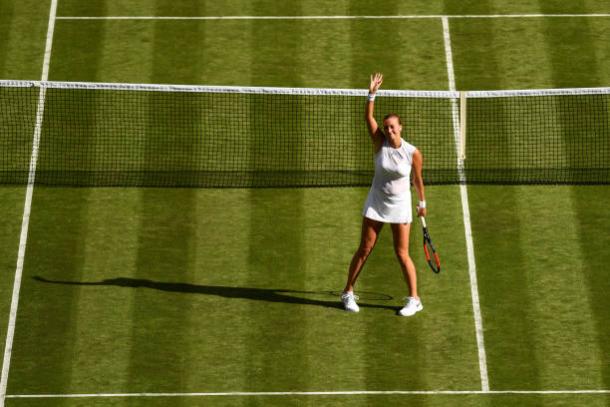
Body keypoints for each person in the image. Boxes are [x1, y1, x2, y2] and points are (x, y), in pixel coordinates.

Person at [341, 73, 427, 317]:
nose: (389, 130)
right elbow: (368, 117)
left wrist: (422, 203)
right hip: (377, 203)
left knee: (402, 254)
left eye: (392, 127)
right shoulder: (379, 142)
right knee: (365, 249)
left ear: (400, 128)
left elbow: (417, 179)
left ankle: (414, 299)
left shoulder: (413, 153)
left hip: (400, 206)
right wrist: (372, 94)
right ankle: (347, 292)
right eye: (386, 126)